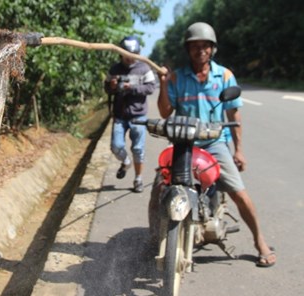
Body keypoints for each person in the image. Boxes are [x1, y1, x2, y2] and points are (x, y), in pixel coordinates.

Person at [156, 22, 276, 267]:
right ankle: (157, 237)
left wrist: (238, 150)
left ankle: (259, 241)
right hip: (184, 145)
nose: (200, 51)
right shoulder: (177, 77)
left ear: (212, 49)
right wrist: (164, 83)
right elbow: (165, 112)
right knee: (159, 187)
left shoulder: (225, 76)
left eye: (205, 46)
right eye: (195, 47)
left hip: (214, 144)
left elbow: (233, 115)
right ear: (187, 49)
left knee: (239, 193)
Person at [104, 35, 156, 192]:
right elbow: (107, 88)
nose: (129, 59)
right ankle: (126, 162)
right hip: (120, 115)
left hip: (139, 116)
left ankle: (138, 179)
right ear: (121, 54)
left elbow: (151, 88)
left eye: (132, 55)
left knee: (138, 149)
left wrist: (130, 87)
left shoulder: (145, 69)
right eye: (126, 55)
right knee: (116, 146)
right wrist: (112, 86)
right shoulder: (114, 69)